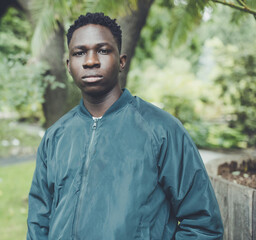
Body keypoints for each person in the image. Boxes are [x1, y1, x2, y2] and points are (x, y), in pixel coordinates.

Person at [27, 12, 223, 239]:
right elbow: (38, 223)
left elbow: (202, 224)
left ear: (121, 61)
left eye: (102, 50)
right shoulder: (55, 137)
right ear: (69, 65)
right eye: (80, 53)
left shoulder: (162, 131)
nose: (91, 61)